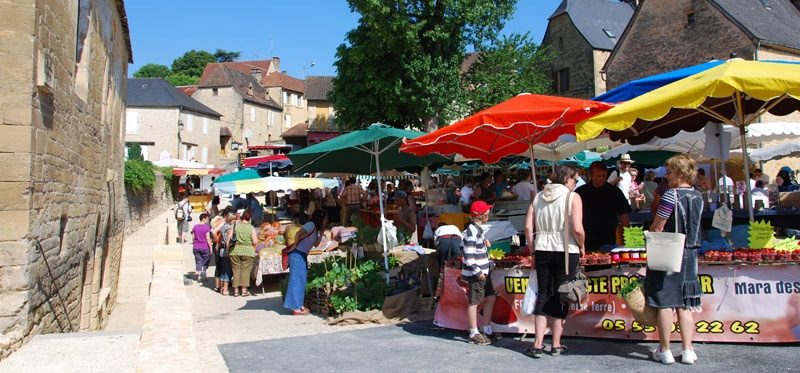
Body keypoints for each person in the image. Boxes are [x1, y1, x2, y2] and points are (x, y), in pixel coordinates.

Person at [646, 154, 704, 365]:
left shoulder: (671, 195)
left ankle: (665, 350)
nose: (667, 176)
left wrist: (651, 233)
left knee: (665, 302)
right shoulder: (698, 195)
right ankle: (688, 350)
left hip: (670, 251)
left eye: (669, 172)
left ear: (680, 173)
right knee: (685, 303)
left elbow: (659, 224)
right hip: (691, 252)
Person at [524, 165, 585, 358]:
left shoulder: (538, 197)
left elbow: (527, 227)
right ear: (567, 179)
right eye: (575, 180)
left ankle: (537, 342)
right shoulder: (572, 197)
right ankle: (556, 344)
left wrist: (532, 249)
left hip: (542, 247)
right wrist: (582, 245)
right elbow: (577, 228)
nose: (575, 184)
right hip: (566, 249)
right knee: (562, 294)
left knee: (543, 293)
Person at [462, 200, 500, 345]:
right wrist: (478, 272)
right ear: (481, 215)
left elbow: (470, 247)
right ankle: (473, 332)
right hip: (478, 273)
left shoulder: (476, 230)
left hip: (484, 271)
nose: (489, 213)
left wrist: (483, 244)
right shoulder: (472, 232)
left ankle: (486, 328)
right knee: (474, 302)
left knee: (490, 298)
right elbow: (468, 257)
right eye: (487, 212)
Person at [575, 161, 631, 251]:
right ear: (591, 176)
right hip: (586, 238)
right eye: (598, 176)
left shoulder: (614, 192)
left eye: (604, 176)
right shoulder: (580, 192)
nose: (602, 179)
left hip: (608, 239)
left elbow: (624, 214)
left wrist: (627, 236)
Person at [284, 210, 327, 315]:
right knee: (297, 280)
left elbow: (316, 244)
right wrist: (295, 245)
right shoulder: (310, 224)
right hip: (297, 254)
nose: (326, 221)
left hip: (302, 255)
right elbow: (299, 233)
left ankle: (298, 305)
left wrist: (322, 232)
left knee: (301, 280)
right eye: (325, 220)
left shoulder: (315, 229)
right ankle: (296, 308)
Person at [230, 210, 258, 297]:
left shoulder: (235, 226)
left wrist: (228, 250)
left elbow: (230, 238)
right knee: (245, 270)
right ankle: (244, 290)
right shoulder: (251, 228)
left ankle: (235, 290)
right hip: (247, 251)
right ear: (250, 218)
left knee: (236, 270)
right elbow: (255, 241)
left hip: (235, 250)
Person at [217, 211, 236, 295]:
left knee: (224, 270)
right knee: (228, 270)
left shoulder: (223, 227)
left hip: (222, 250)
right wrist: (229, 250)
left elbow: (220, 239)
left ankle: (221, 288)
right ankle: (225, 289)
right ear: (231, 219)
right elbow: (229, 240)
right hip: (227, 250)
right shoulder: (229, 228)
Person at [191, 213, 213, 282]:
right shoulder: (206, 227)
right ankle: (204, 274)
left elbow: (193, 237)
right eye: (207, 219)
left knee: (198, 261)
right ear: (203, 218)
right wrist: (211, 247)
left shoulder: (195, 227)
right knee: (205, 260)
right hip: (204, 246)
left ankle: (199, 275)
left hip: (196, 246)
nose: (207, 220)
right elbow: (208, 238)